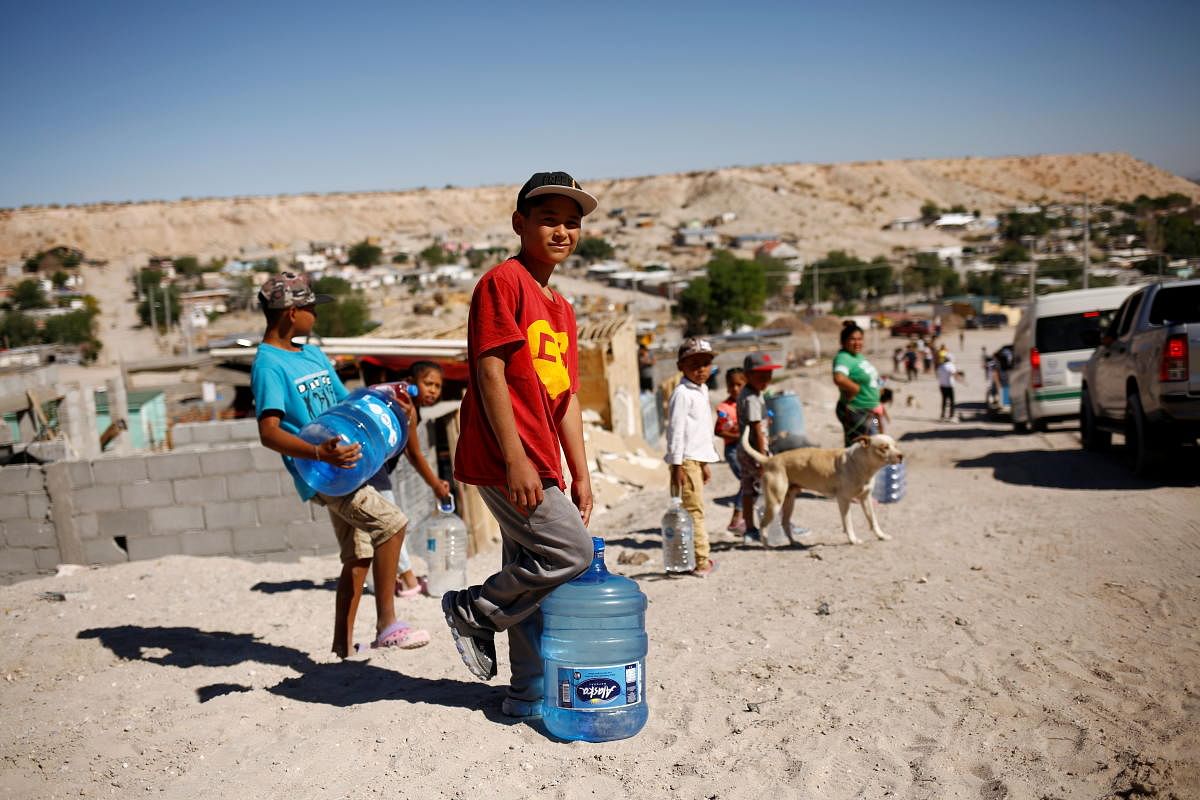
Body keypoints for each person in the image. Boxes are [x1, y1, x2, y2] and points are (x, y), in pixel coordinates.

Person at [440, 171, 597, 720]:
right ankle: (473, 610)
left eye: (571, 222)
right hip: (507, 458)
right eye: (548, 219)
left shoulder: (561, 307)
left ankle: (526, 693)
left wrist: (580, 472)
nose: (562, 231)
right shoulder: (501, 284)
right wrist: (516, 460)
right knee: (570, 553)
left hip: (542, 461)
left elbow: (566, 397)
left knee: (534, 574)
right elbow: (488, 372)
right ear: (519, 224)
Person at [250, 272, 429, 659]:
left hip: (348, 463)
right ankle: (387, 625)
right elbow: (268, 432)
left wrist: (388, 402)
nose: (316, 315)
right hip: (321, 472)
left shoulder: (311, 354)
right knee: (391, 523)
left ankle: (342, 648)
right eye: (311, 308)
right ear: (291, 312)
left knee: (359, 554)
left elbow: (347, 402)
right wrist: (318, 454)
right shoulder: (268, 365)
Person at [366, 361, 451, 598]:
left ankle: (385, 579)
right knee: (393, 524)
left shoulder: (408, 407)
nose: (433, 390)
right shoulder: (407, 409)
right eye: (428, 383)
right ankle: (408, 579)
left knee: (376, 527)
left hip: (371, 467)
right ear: (411, 384)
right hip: (374, 469)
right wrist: (435, 484)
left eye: (438, 385)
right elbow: (413, 453)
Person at [665, 337, 720, 576]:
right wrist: (677, 465)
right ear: (681, 367)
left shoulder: (702, 390)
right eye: (694, 364)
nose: (701, 369)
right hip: (684, 461)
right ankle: (700, 560)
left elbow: (701, 432)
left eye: (705, 363)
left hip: (695, 460)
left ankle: (690, 557)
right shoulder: (682, 394)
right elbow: (676, 432)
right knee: (692, 511)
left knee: (691, 510)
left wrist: (705, 463)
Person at [737, 351, 782, 544]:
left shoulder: (750, 393)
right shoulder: (752, 399)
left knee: (748, 490)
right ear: (747, 375)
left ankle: (749, 528)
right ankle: (774, 526)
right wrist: (764, 458)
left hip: (745, 450)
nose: (766, 379)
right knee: (770, 490)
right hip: (756, 451)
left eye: (769, 375)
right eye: (760, 375)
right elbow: (756, 429)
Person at [833, 321, 882, 446]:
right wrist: (854, 389)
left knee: (878, 437)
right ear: (843, 342)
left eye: (860, 339)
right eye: (853, 339)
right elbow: (839, 378)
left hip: (872, 410)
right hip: (857, 411)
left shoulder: (857, 356)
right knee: (867, 446)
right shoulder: (843, 357)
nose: (857, 343)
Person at [714, 367, 746, 534]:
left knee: (751, 482)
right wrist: (738, 435)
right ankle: (736, 519)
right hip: (733, 450)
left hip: (747, 449)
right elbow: (718, 430)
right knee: (747, 481)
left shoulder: (748, 403)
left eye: (739, 385)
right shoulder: (724, 408)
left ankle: (743, 519)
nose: (735, 389)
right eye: (731, 385)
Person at [937, 352, 965, 421]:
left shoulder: (941, 366)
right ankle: (951, 416)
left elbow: (939, 375)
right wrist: (961, 380)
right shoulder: (950, 365)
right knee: (951, 401)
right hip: (949, 386)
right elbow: (954, 374)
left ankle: (942, 415)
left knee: (944, 400)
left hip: (942, 386)